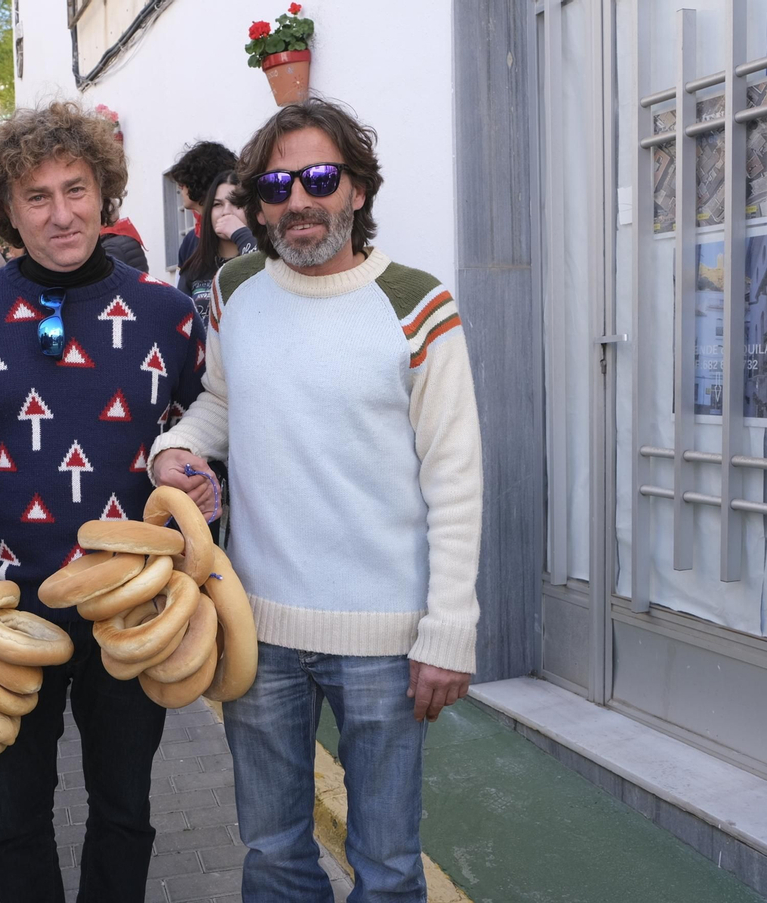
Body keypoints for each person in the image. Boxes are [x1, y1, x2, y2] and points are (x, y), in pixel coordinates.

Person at [150, 100, 484, 903]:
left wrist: (449, 630)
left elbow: (455, 475)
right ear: (258, 204)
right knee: (273, 855)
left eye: (320, 178)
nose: (298, 199)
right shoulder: (234, 289)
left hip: (385, 642)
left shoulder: (418, 304)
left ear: (357, 189)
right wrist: (175, 449)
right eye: (276, 186)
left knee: (389, 866)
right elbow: (224, 402)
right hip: (255, 628)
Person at [0, 102, 205, 903]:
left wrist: (202, 482)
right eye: (37, 196)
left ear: (104, 194)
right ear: (6, 208)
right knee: (12, 815)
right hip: (1, 608)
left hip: (129, 606)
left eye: (76, 189)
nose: (61, 213)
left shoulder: (169, 315)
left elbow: (203, 430)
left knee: (125, 808)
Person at [177, 170, 257, 318]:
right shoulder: (194, 268)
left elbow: (262, 268)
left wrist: (240, 234)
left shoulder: (267, 257)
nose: (226, 212)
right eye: (217, 204)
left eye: (236, 203)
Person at [164, 140, 239, 290]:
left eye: (186, 179)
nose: (180, 186)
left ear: (201, 180)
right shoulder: (190, 240)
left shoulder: (245, 234)